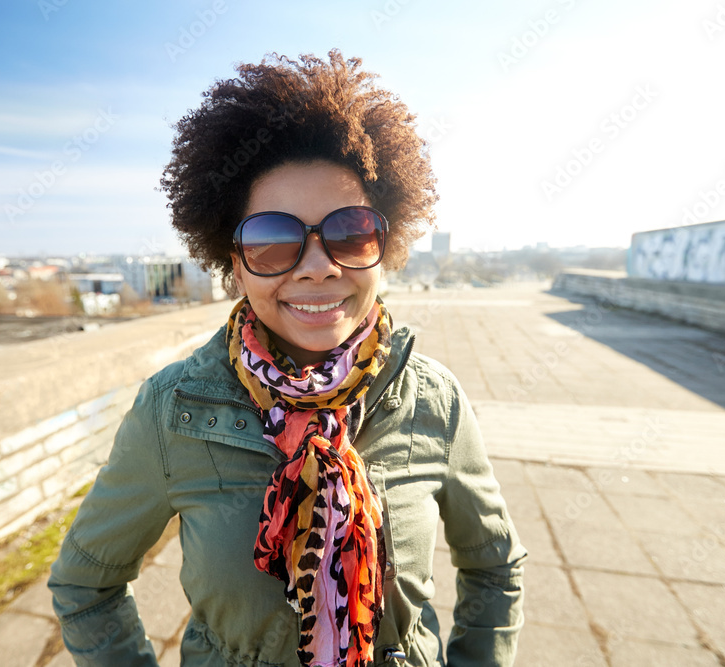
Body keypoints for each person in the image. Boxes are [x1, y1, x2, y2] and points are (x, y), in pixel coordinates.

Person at [48, 49, 526, 667]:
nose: (318, 264)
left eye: (349, 232)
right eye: (274, 240)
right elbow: (87, 585)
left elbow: (495, 567)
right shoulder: (174, 412)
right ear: (233, 261)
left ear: (386, 244)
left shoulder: (434, 400)